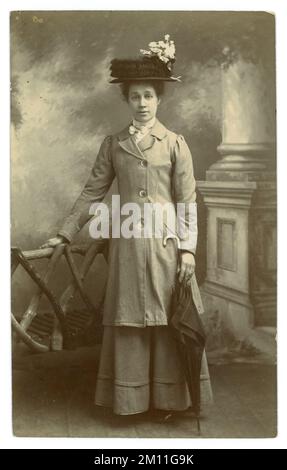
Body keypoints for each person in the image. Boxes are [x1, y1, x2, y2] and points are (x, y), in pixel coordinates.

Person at [41, 35, 212, 421]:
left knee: (169, 320)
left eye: (149, 95)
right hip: (129, 246)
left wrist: (188, 249)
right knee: (130, 320)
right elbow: (92, 192)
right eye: (135, 96)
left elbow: (187, 201)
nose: (142, 104)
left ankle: (170, 402)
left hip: (168, 247)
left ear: (159, 99)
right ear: (127, 100)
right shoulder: (114, 144)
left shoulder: (174, 144)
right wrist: (66, 232)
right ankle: (131, 401)